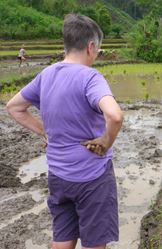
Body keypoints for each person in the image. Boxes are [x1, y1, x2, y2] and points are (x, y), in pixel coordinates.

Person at [6, 14, 123, 249]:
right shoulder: (91, 78)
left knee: (62, 240)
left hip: (58, 175)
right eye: (98, 50)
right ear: (91, 47)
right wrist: (105, 141)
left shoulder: (46, 74)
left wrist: (45, 133)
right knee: (94, 243)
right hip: (92, 176)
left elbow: (14, 107)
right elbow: (115, 115)